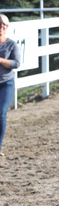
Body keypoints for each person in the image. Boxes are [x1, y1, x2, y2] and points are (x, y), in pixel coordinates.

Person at [0, 14, 21, 157]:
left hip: (6, 83)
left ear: (7, 27)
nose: (1, 27)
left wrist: (1, 60)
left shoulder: (11, 44)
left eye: (3, 25)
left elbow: (16, 63)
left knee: (1, 113)